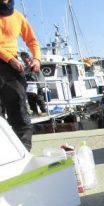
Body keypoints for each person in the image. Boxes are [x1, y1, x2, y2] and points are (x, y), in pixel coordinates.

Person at [0, 0, 41, 151]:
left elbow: (32, 40)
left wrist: (36, 58)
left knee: (19, 112)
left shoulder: (18, 17)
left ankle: (23, 153)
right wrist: (10, 59)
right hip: (9, 60)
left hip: (12, 70)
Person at [20, 51, 47, 116]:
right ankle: (35, 113)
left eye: (25, 57)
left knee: (39, 99)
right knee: (31, 100)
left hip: (37, 85)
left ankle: (44, 111)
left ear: (28, 57)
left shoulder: (33, 63)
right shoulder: (25, 67)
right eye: (22, 58)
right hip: (29, 87)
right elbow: (24, 74)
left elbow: (32, 71)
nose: (23, 59)